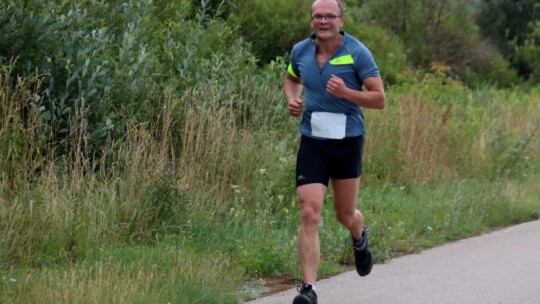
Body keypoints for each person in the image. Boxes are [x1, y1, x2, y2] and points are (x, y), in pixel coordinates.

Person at [283, 0, 386, 303]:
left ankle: (359, 234)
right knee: (308, 211)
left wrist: (346, 93)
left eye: (330, 16)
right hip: (313, 140)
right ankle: (309, 289)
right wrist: (293, 99)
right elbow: (292, 78)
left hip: (347, 141)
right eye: (318, 16)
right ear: (311, 20)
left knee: (344, 214)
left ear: (342, 20)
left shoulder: (357, 52)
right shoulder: (301, 51)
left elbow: (379, 99)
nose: (324, 21)